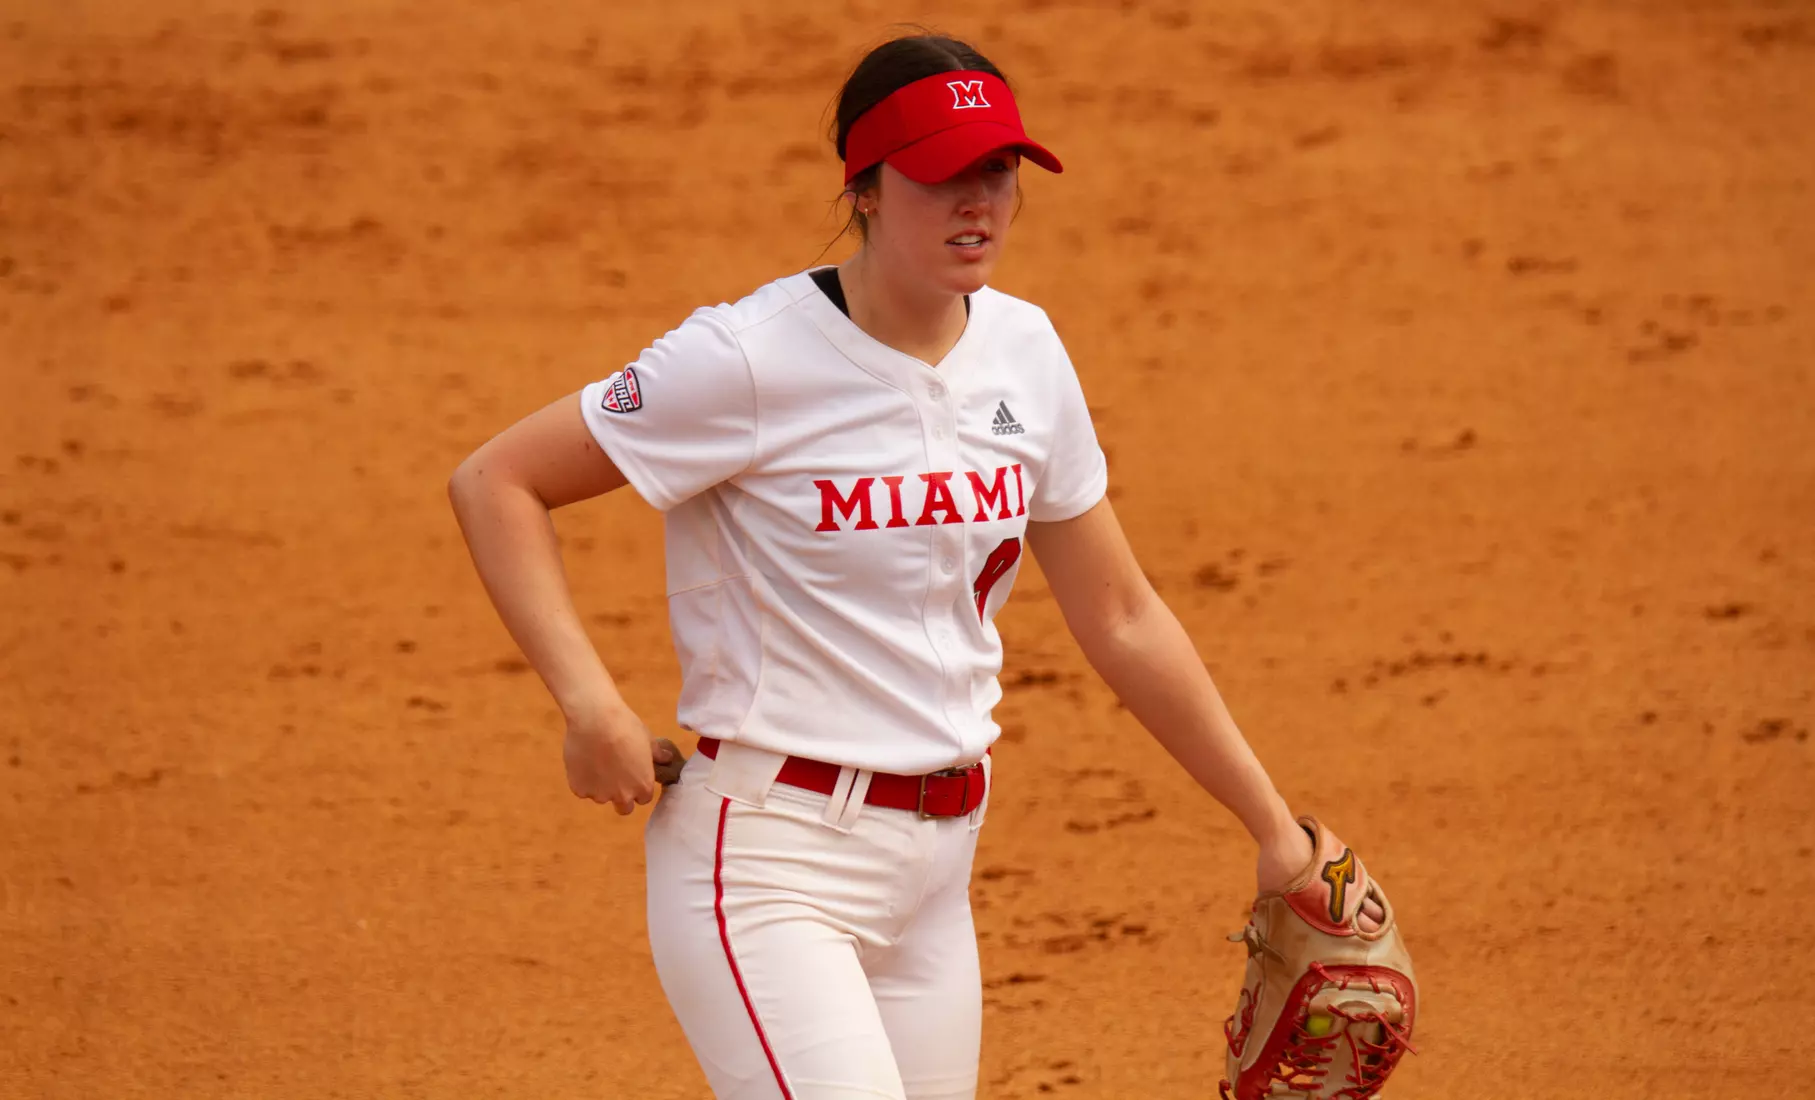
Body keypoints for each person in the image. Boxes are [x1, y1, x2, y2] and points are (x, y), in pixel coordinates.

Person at [448, 32, 1330, 1100]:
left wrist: (1274, 829)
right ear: (862, 187)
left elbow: (1124, 613)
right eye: (941, 174)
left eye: (997, 170)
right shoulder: (746, 357)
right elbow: (498, 480)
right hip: (769, 864)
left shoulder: (1025, 351)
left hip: (937, 877)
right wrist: (588, 703)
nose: (978, 202)